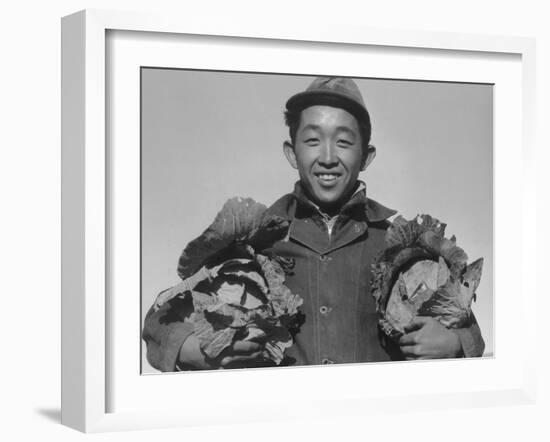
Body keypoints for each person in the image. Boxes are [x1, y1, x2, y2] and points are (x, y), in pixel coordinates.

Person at [142, 77, 485, 371]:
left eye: (344, 141)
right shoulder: (253, 241)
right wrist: (198, 347)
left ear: (366, 156)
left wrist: (455, 343)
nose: (327, 157)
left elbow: (470, 333)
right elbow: (161, 320)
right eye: (312, 140)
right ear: (292, 152)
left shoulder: (398, 247)